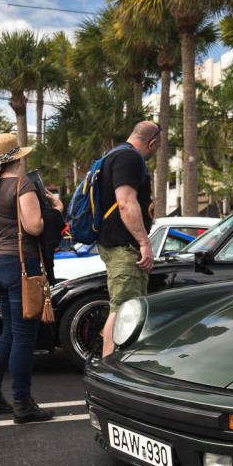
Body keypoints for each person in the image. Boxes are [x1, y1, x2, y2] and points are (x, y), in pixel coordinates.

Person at [0, 134, 62, 422]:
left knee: (10, 334)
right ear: (19, 158)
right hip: (22, 265)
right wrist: (57, 211)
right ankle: (22, 403)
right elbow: (35, 227)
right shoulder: (22, 185)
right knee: (25, 338)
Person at [99, 121, 160, 358]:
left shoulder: (113, 155)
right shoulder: (130, 158)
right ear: (152, 143)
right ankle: (109, 371)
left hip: (114, 242)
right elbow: (125, 202)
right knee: (123, 309)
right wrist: (144, 243)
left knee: (123, 307)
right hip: (123, 245)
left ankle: (111, 367)